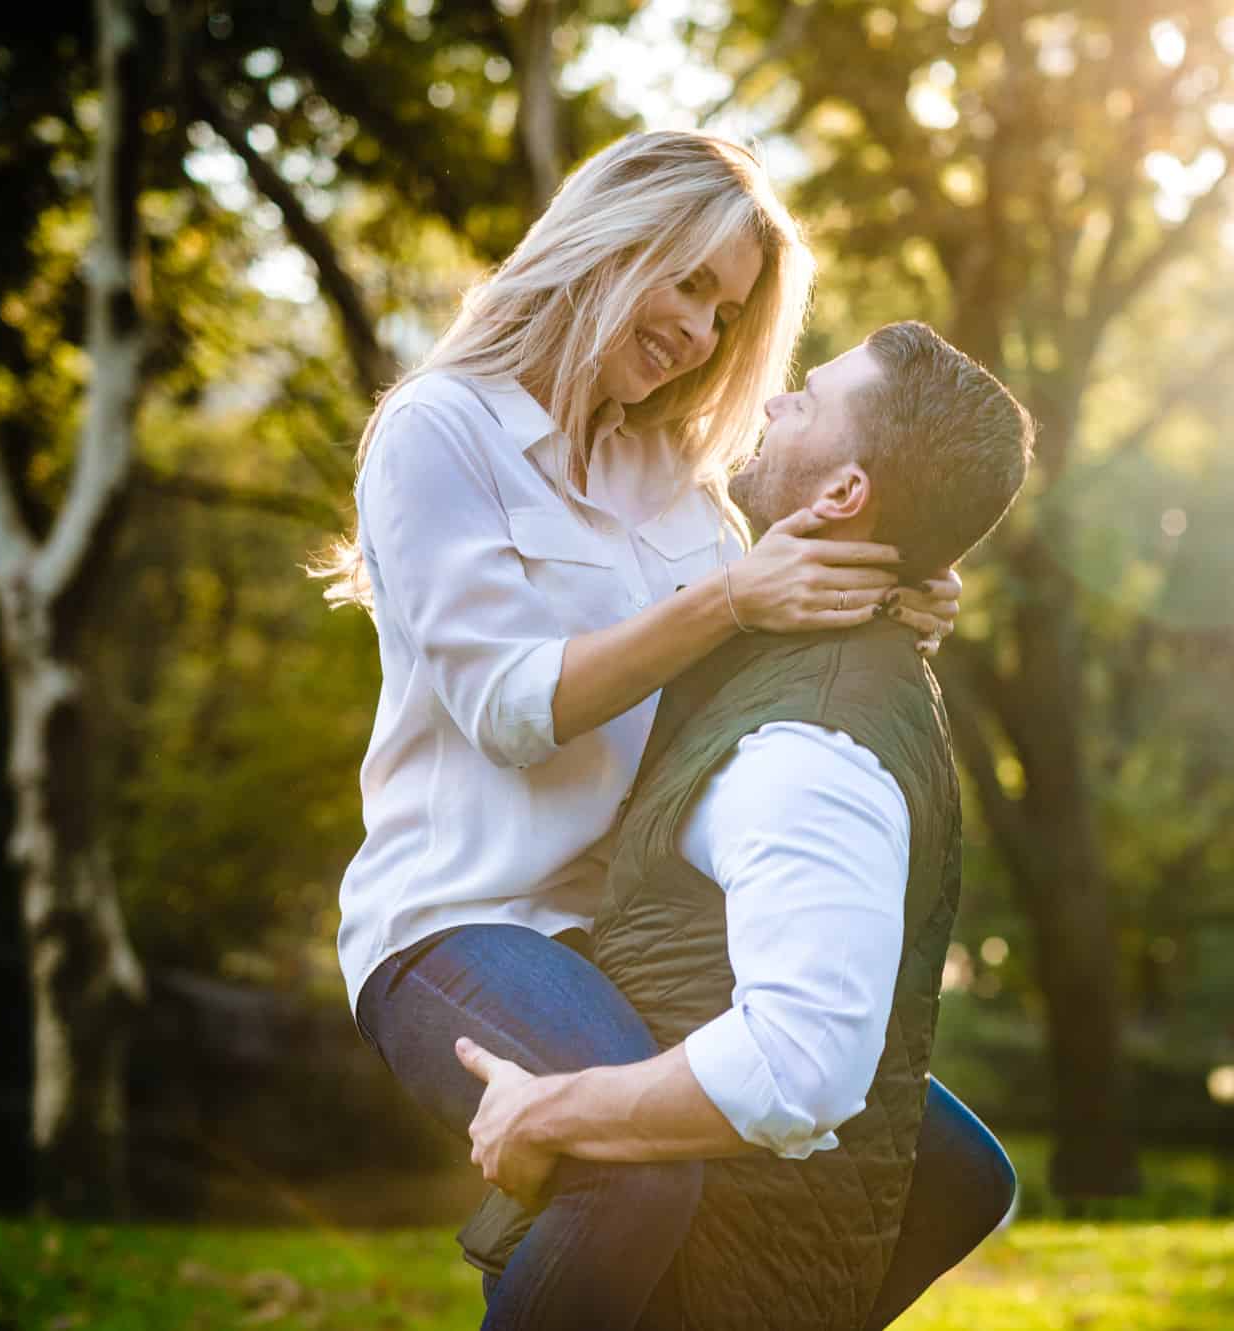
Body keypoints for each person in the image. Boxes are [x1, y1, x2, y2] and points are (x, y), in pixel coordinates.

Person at [319, 133, 1005, 1330]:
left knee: (950, 1174)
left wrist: (902, 583)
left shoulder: (684, 485)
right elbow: (507, 708)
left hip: (632, 941)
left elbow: (749, 657)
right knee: (633, 1174)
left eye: (725, 312)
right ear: (605, 243)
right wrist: (731, 598)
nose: (699, 333)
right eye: (686, 283)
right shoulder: (440, 432)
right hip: (462, 922)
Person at [453, 320, 1033, 1330]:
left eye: (803, 397)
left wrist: (544, 1108)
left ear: (844, 494)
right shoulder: (813, 633)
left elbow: (799, 1058)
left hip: (696, 1270)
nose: (770, 404)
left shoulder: (810, 745)